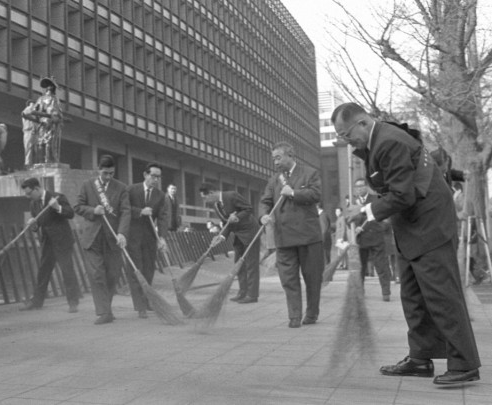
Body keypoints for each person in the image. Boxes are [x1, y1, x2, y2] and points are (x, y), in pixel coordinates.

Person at [332, 102, 480, 385]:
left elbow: (403, 195)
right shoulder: (377, 143)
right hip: (410, 227)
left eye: (347, 135)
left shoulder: (389, 142)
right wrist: (370, 214)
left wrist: (365, 211)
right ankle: (420, 358)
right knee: (413, 295)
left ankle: (464, 364)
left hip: (429, 226)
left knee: (442, 295)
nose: (347, 142)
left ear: (363, 123)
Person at [260, 141, 324, 327]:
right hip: (284, 237)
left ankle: (311, 314)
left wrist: (294, 193)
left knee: (312, 278)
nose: (275, 162)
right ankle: (294, 316)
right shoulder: (273, 180)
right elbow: (265, 201)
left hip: (308, 236)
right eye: (273, 159)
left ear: (290, 155)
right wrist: (263, 215)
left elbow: (316, 194)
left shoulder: (309, 173)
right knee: (288, 279)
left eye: (278, 157)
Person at [74, 155, 130, 325]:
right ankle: (104, 312)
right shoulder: (88, 185)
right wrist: (93, 210)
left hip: (112, 237)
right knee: (97, 274)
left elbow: (126, 211)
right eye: (105, 173)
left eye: (111, 173)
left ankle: (107, 309)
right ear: (99, 170)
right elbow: (78, 207)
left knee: (112, 275)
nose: (108, 177)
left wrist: (122, 233)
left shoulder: (121, 188)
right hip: (93, 238)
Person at [19, 178, 81, 313]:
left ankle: (73, 302)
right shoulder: (33, 204)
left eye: (29, 193)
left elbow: (70, 213)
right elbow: (38, 225)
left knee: (67, 270)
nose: (27, 196)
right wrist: (33, 224)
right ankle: (37, 301)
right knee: (43, 272)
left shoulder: (57, 197)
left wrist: (57, 207)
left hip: (62, 241)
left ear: (36, 189)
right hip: (47, 242)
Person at [200, 183, 261, 304]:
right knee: (238, 264)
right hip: (238, 235)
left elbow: (248, 208)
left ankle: (252, 295)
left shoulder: (231, 195)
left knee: (251, 264)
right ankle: (242, 292)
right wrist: (221, 236)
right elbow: (226, 223)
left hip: (250, 233)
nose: (205, 201)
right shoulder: (216, 206)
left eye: (205, 197)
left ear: (211, 193)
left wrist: (237, 216)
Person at [125, 163, 168, 319]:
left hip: (150, 237)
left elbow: (163, 217)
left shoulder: (160, 195)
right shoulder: (131, 190)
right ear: (145, 174)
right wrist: (140, 212)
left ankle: (147, 300)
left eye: (158, 177)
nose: (156, 179)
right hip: (133, 236)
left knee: (148, 270)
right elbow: (123, 209)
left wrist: (162, 237)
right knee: (136, 270)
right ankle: (140, 306)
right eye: (153, 176)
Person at [351, 177, 391, 301]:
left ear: (366, 186)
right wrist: (355, 228)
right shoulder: (353, 203)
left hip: (376, 237)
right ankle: (360, 291)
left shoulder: (375, 199)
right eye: (357, 187)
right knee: (361, 268)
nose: (360, 188)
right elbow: (349, 220)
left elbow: (386, 218)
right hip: (361, 240)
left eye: (362, 186)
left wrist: (378, 227)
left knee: (381, 266)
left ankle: (386, 292)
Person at [34, 77, 65, 164]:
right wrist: (59, 117)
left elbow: (35, 109)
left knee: (43, 141)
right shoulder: (51, 99)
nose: (49, 87)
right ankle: (46, 160)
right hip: (48, 121)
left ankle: (44, 160)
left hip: (44, 121)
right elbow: (56, 110)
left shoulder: (43, 98)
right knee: (47, 141)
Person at [21, 100, 39, 167]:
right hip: (28, 131)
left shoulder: (35, 114)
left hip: (35, 132)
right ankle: (28, 164)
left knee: (36, 149)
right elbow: (30, 111)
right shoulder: (27, 109)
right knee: (28, 148)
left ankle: (35, 164)